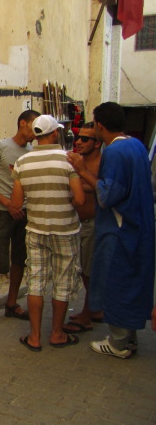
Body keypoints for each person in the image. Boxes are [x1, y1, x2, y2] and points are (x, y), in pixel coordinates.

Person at [67, 102, 155, 359]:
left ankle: (118, 343)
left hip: (119, 228)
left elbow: (108, 195)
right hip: (138, 225)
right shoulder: (136, 145)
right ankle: (128, 338)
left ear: (100, 126)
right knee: (130, 281)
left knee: (115, 282)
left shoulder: (115, 152)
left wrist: (81, 170)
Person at [11, 115, 85, 351]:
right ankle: (57, 333)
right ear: (54, 133)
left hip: (36, 229)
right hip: (65, 230)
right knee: (62, 282)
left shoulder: (23, 162)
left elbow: (17, 202)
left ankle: (34, 337)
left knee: (36, 282)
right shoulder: (68, 160)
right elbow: (80, 199)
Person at [0, 109, 39, 328]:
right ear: (23, 123)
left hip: (24, 213)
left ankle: (12, 303)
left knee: (19, 259)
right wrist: (8, 204)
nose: (36, 132)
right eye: (33, 126)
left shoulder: (32, 152)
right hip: (2, 213)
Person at [63, 123, 103, 333]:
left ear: (96, 143)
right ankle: (94, 309)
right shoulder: (77, 160)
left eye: (85, 139)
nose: (79, 142)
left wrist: (79, 181)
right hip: (76, 224)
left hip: (92, 223)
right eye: (78, 137)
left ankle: (87, 315)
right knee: (83, 270)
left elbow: (103, 188)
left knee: (88, 272)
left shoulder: (102, 163)